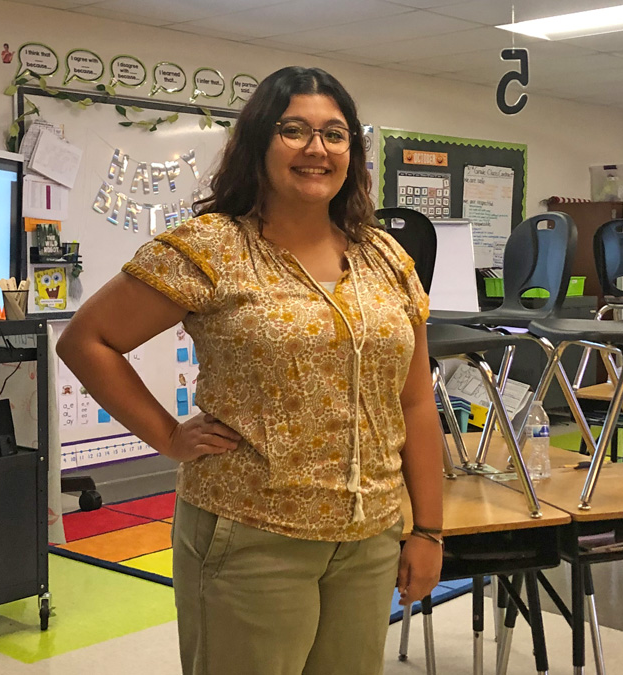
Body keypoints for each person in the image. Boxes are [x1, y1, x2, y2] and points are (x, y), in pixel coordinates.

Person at [56, 66, 444, 675]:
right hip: (251, 533)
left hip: (368, 537)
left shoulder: (384, 256)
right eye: (294, 130)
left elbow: (416, 402)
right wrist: (168, 435)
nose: (317, 149)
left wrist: (429, 530)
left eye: (335, 134)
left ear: (353, 153)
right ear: (259, 143)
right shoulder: (212, 248)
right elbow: (89, 340)